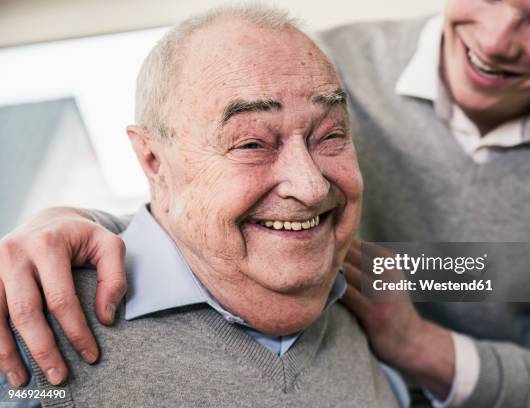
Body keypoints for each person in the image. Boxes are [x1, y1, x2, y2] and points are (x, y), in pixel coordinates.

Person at [2, 0, 530, 406]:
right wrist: (76, 224)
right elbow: (206, 180)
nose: (496, 39)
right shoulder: (327, 67)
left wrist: (419, 344)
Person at [0, 5, 411, 407]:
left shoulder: (378, 284)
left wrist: (424, 347)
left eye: (330, 135)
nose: (311, 187)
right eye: (251, 143)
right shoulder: (29, 319)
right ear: (153, 161)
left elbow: (470, 275)